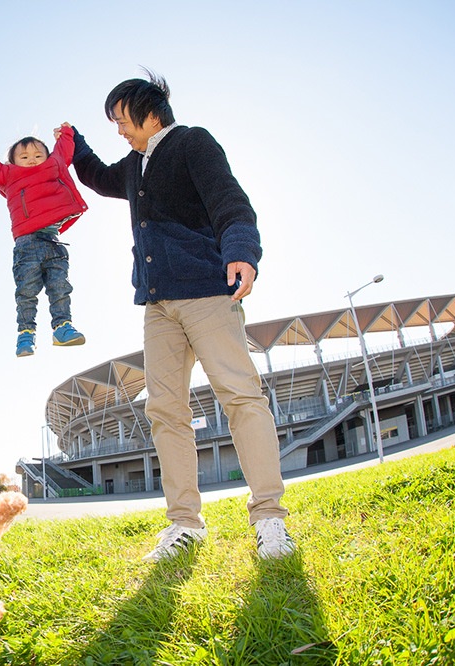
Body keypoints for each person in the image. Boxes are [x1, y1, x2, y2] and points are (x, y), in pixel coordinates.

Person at [69, 71, 295, 561]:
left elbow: (230, 201)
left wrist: (241, 251)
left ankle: (270, 519)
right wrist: (74, 143)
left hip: (208, 293)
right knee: (165, 411)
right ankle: (184, 525)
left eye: (122, 120)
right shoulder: (133, 166)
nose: (120, 131)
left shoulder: (192, 143)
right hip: (157, 304)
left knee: (240, 395)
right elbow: (96, 175)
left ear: (149, 111)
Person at [0, 125, 88, 357]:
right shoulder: (9, 174)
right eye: (24, 157)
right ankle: (26, 333)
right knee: (27, 291)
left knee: (60, 286)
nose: (32, 160)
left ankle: (62, 327)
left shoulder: (53, 164)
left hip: (53, 241)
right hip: (27, 244)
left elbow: (64, 152)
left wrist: (66, 134)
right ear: (13, 162)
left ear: (47, 156)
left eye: (38, 155)